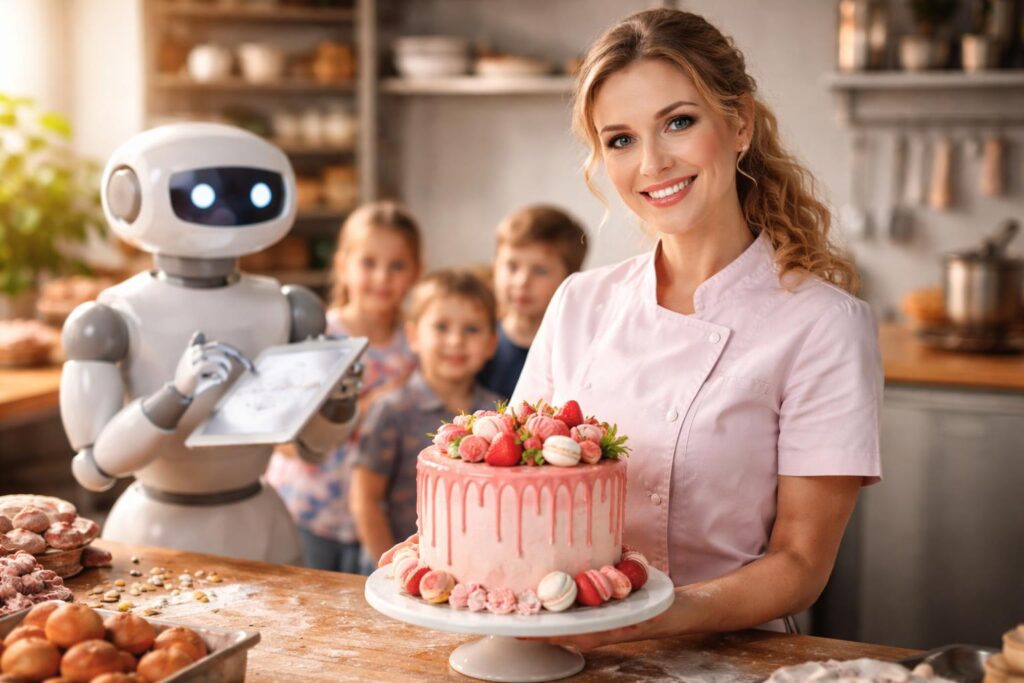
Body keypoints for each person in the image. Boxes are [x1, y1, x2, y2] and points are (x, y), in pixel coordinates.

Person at [512, 8, 882, 647]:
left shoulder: (824, 325)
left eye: (677, 123)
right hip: (560, 649)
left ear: (738, 124)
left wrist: (650, 616)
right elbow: (516, 491)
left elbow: (799, 563)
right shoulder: (579, 302)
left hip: (728, 657)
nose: (652, 163)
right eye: (620, 139)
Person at [265, 201, 421, 573]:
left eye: (397, 265)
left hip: (375, 525)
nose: (382, 276)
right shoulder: (318, 338)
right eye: (369, 263)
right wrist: (369, 407)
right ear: (342, 266)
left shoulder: (415, 345)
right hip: (303, 514)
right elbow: (281, 439)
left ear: (416, 273)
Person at [350, 269, 504, 563]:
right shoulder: (392, 410)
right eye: (442, 327)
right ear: (413, 336)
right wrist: (392, 567)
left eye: (472, 329)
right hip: (399, 568)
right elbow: (365, 499)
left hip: (471, 567)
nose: (456, 340)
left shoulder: (497, 414)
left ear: (491, 344)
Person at [477, 205, 588, 400]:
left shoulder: (577, 352)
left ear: (570, 279)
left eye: (541, 271)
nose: (522, 282)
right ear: (495, 266)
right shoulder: (474, 342)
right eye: (511, 266)